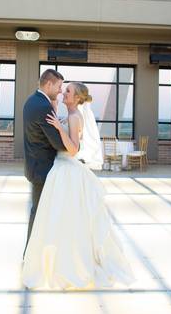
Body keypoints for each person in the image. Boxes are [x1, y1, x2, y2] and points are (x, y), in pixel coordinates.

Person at [22, 82, 134, 289]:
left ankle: (70, 264)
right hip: (61, 167)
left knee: (63, 216)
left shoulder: (74, 117)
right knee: (63, 217)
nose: (63, 93)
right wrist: (58, 119)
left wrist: (58, 127)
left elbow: (73, 149)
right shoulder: (70, 115)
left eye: (68, 91)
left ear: (76, 98)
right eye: (64, 89)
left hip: (67, 166)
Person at [22, 69, 67, 255]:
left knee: (40, 211)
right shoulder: (43, 107)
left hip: (35, 165)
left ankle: (36, 251)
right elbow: (58, 143)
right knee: (39, 212)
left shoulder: (31, 101)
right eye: (58, 86)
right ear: (48, 84)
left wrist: (58, 121)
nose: (60, 91)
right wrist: (69, 135)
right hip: (43, 169)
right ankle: (31, 254)